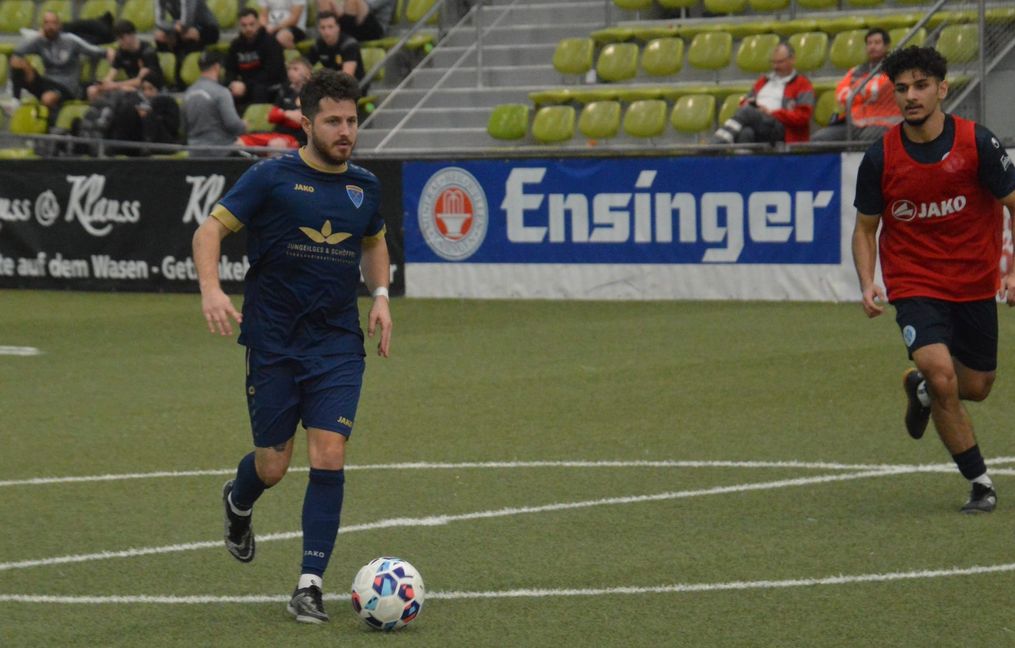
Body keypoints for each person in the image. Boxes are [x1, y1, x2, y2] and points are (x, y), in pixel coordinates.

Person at [192, 68, 392, 624]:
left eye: (352, 120)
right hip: (275, 342)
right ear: (306, 123)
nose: (345, 131)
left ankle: (309, 584)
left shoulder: (364, 187)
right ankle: (238, 500)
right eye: (333, 121)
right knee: (273, 465)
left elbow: (374, 242)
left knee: (329, 454)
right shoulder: (270, 178)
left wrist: (379, 294)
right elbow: (208, 231)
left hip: (336, 344)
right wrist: (212, 288)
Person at [851, 46, 1015, 514]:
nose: (910, 96)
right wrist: (868, 282)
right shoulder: (880, 157)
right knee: (944, 376)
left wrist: (1013, 270)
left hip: (974, 283)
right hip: (915, 284)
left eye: (921, 86)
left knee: (977, 385)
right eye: (901, 89)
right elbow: (865, 230)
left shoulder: (978, 144)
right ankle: (980, 483)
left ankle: (920, 390)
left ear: (942, 89)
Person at [9, 11, 113, 115]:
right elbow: (18, 51)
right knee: (16, 61)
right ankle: (15, 101)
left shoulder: (70, 40)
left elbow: (93, 51)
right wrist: (37, 37)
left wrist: (108, 52)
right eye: (47, 23)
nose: (50, 27)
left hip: (66, 86)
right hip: (47, 81)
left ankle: (52, 120)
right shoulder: (40, 41)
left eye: (53, 23)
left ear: (59, 25)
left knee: (47, 98)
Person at [711, 42, 814, 145]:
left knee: (747, 112)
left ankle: (718, 144)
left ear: (792, 60)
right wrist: (749, 104)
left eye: (780, 62)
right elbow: (744, 104)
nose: (775, 66)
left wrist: (771, 113)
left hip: (782, 127)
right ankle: (744, 159)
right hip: (759, 123)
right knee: (746, 133)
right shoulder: (762, 81)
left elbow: (803, 117)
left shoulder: (803, 84)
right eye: (773, 62)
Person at [812, 28, 901, 142]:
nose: (872, 46)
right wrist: (864, 91)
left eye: (877, 43)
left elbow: (876, 89)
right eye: (869, 43)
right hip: (855, 123)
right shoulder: (856, 70)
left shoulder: (895, 69)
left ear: (887, 46)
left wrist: (855, 90)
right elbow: (841, 95)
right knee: (819, 138)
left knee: (867, 138)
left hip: (884, 123)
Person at [237, 56, 312, 150]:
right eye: (289, 69)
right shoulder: (285, 91)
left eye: (295, 69)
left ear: (308, 73)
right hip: (277, 134)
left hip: (297, 139)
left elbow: (300, 120)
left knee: (275, 144)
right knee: (240, 141)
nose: (290, 72)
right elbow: (272, 116)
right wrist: (287, 115)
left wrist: (282, 114)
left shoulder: (311, 93)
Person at [183, 51, 247, 156]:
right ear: (217, 67)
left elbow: (184, 127)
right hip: (221, 152)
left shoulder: (188, 93)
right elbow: (233, 125)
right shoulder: (221, 92)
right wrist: (243, 125)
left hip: (194, 152)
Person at [87, 19, 164, 103]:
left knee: (124, 90)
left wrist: (115, 85)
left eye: (122, 38)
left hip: (150, 88)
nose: (119, 42)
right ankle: (98, 113)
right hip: (130, 86)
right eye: (118, 38)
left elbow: (140, 81)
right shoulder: (121, 52)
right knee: (92, 90)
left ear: (132, 35)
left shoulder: (147, 52)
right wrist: (103, 85)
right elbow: (111, 74)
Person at [226, 8, 287, 111]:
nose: (248, 28)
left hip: (269, 85)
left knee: (258, 90)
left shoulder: (271, 42)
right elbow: (230, 69)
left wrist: (246, 86)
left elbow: (272, 73)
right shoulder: (235, 45)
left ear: (258, 23)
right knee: (226, 90)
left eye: (251, 24)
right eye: (244, 25)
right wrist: (232, 83)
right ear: (239, 26)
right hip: (246, 86)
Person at [154, 0, 221, 88]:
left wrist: (174, 28)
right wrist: (173, 27)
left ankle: (182, 79)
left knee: (188, 35)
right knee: (159, 36)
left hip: (208, 28)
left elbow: (187, 22)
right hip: (182, 28)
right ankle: (165, 77)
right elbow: (159, 22)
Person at [308, 11, 363, 82]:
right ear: (318, 29)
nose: (326, 31)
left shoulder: (349, 44)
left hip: (354, 87)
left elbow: (347, 77)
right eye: (322, 27)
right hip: (332, 85)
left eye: (330, 27)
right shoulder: (318, 45)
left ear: (338, 27)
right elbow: (306, 66)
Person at [316, 0, 391, 42]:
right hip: (351, 21)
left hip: (374, 30)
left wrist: (341, 11)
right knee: (323, 1)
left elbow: (368, 6)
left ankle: (343, 41)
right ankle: (326, 41)